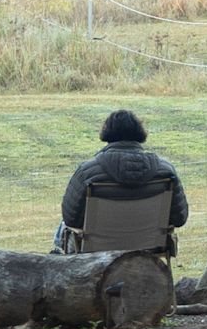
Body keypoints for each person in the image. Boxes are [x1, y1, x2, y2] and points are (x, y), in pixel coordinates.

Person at [56, 108, 188, 255]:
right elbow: (179, 218)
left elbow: (71, 219)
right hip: (149, 249)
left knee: (61, 230)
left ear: (107, 133)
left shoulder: (87, 172)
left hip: (96, 253)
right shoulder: (166, 172)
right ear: (139, 132)